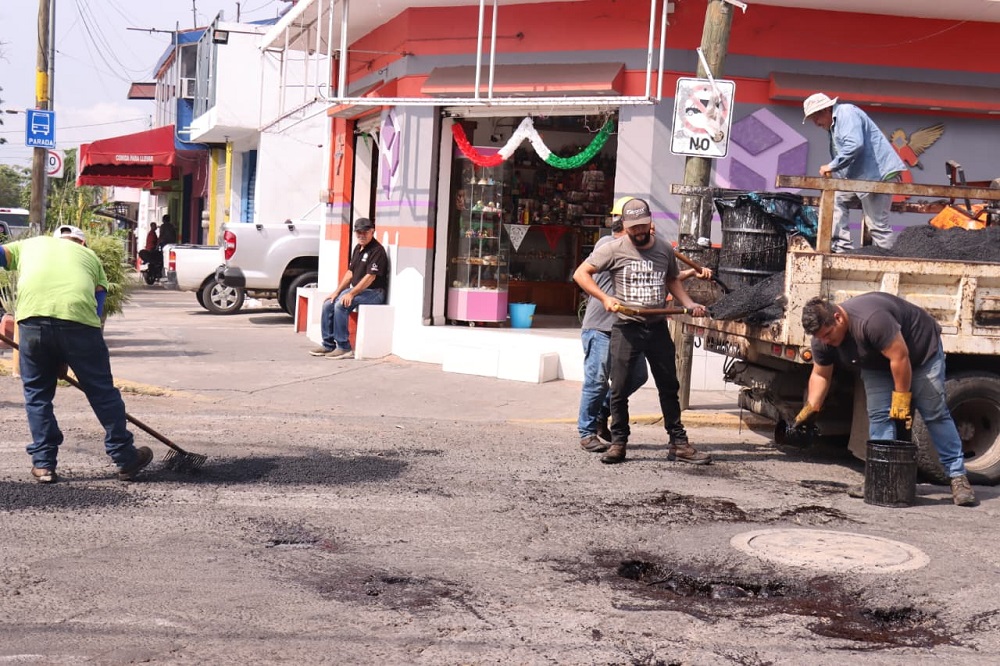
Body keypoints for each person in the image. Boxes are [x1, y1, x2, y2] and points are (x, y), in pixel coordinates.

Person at [0, 225, 153, 484]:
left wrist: (56, 358)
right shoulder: (90, 257)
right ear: (81, 243)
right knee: (102, 392)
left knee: (37, 395)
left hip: (32, 323)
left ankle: (43, 465)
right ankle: (125, 458)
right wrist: (70, 354)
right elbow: (97, 308)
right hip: (79, 326)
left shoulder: (29, 245)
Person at [794, 293, 976, 507]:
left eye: (827, 334)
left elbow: (900, 358)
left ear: (838, 318)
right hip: (876, 364)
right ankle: (882, 480)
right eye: (820, 338)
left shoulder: (872, 320)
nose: (825, 341)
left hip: (919, 355)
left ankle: (958, 478)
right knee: (879, 415)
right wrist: (812, 407)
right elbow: (821, 374)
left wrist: (901, 398)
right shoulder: (822, 340)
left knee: (933, 413)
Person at [573, 198, 711, 465]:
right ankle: (619, 442)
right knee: (619, 389)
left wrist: (689, 303)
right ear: (624, 225)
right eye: (633, 227)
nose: (638, 232)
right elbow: (581, 274)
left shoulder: (663, 249)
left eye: (642, 226)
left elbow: (671, 279)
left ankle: (678, 443)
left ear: (650, 223)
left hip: (657, 327)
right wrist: (604, 298)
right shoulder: (612, 249)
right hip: (627, 326)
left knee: (669, 386)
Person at [802, 93, 907, 253]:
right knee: (836, 198)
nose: (816, 123)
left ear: (826, 109)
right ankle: (842, 249)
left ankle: (895, 263)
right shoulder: (835, 124)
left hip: (877, 176)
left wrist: (832, 166)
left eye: (816, 117)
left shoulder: (846, 113)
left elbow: (855, 145)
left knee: (877, 225)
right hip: (863, 178)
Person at [309, 217, 388, 360]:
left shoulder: (377, 251)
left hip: (374, 292)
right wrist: (336, 292)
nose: (361, 235)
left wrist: (351, 293)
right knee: (328, 303)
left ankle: (344, 348)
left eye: (365, 232)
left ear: (372, 232)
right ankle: (328, 345)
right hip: (360, 290)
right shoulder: (358, 248)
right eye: (359, 232)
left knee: (341, 305)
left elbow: (370, 277)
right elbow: (350, 273)